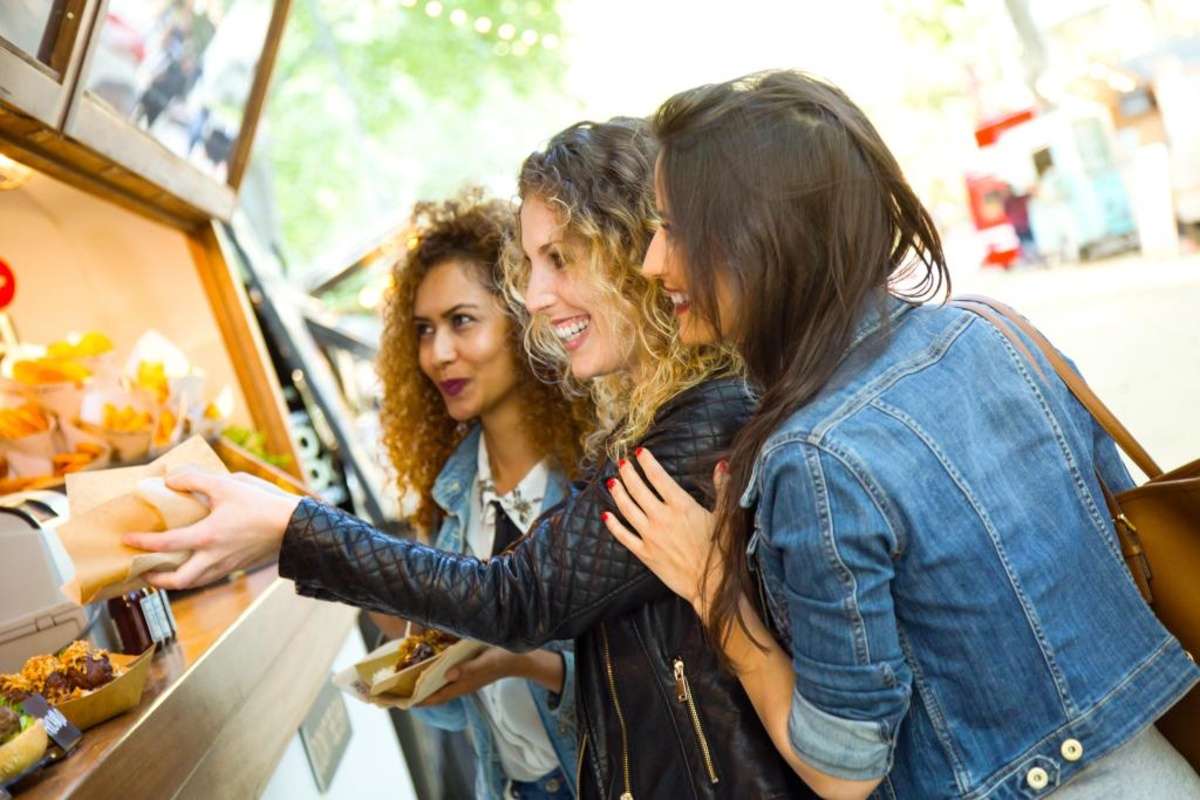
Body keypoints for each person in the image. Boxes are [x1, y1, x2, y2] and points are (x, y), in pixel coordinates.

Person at [124, 119, 811, 798]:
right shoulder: (650, 421)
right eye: (530, 266)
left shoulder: (705, 418)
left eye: (560, 259)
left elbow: (517, 597)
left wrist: (291, 527)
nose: (536, 298)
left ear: (633, 249)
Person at [600, 70, 1200, 799]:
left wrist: (713, 588)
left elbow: (843, 768)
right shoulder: (994, 331)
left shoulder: (815, 458)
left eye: (673, 228)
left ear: (762, 238)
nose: (651, 261)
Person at [372, 190, 587, 800]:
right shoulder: (454, 497)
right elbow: (455, 714)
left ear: (523, 321)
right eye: (424, 331)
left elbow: (643, 686)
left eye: (462, 321)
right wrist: (406, 644)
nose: (439, 354)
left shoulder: (590, 482)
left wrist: (518, 660)